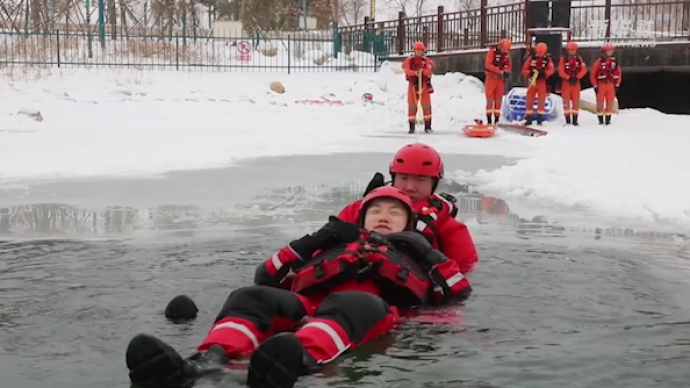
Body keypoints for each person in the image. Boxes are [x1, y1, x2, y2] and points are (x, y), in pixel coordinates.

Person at [126, 187, 471, 388]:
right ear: (360, 218)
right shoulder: (335, 242)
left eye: (394, 213)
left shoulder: (414, 252)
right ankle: (203, 362)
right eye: (375, 210)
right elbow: (266, 275)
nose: (383, 215)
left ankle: (294, 361)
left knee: (353, 301)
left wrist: (427, 251)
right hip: (308, 305)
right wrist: (315, 240)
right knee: (250, 297)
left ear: (408, 224)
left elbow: (458, 293)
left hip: (372, 309)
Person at [338, 143, 478, 275]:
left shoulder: (449, 228)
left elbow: (465, 271)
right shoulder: (355, 211)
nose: (410, 187)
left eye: (420, 179)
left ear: (433, 183)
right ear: (393, 178)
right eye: (403, 178)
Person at [402, 41, 434, 134]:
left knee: (426, 105)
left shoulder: (426, 61)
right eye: (417, 50)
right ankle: (411, 126)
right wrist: (414, 73)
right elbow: (406, 69)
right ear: (414, 51)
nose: (419, 52)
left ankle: (428, 126)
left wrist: (422, 71)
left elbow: (429, 71)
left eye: (421, 50)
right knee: (412, 105)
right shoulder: (410, 60)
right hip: (413, 85)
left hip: (423, 84)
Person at [521, 42, 554, 126]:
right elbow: (524, 69)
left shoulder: (547, 60)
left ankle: (540, 119)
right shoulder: (531, 59)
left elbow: (551, 69)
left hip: (542, 81)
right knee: (529, 99)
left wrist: (545, 74)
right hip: (532, 81)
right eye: (539, 52)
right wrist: (530, 73)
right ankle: (529, 118)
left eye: (541, 52)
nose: (540, 54)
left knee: (541, 100)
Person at [590, 42, 622, 125]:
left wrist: (617, 84)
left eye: (611, 51)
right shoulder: (598, 62)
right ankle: (600, 120)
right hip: (601, 84)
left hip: (611, 84)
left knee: (610, 102)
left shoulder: (614, 62)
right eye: (608, 51)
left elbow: (618, 73)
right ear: (604, 52)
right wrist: (595, 85)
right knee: (600, 102)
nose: (610, 52)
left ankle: (608, 120)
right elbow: (593, 74)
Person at [558, 42, 587, 126]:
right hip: (566, 83)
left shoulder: (579, 59)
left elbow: (583, 69)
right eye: (571, 50)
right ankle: (567, 120)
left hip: (576, 83)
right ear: (567, 50)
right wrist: (568, 77)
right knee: (566, 101)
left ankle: (575, 120)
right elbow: (561, 71)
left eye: (574, 50)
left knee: (576, 101)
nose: (572, 52)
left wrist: (577, 77)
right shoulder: (563, 59)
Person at [484, 38, 512, 124]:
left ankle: (496, 119)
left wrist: (507, 71)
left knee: (499, 99)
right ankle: (489, 119)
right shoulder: (492, 52)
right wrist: (500, 71)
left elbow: (509, 65)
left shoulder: (506, 55)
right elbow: (488, 65)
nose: (504, 51)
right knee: (490, 99)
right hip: (491, 78)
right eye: (504, 49)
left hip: (500, 80)